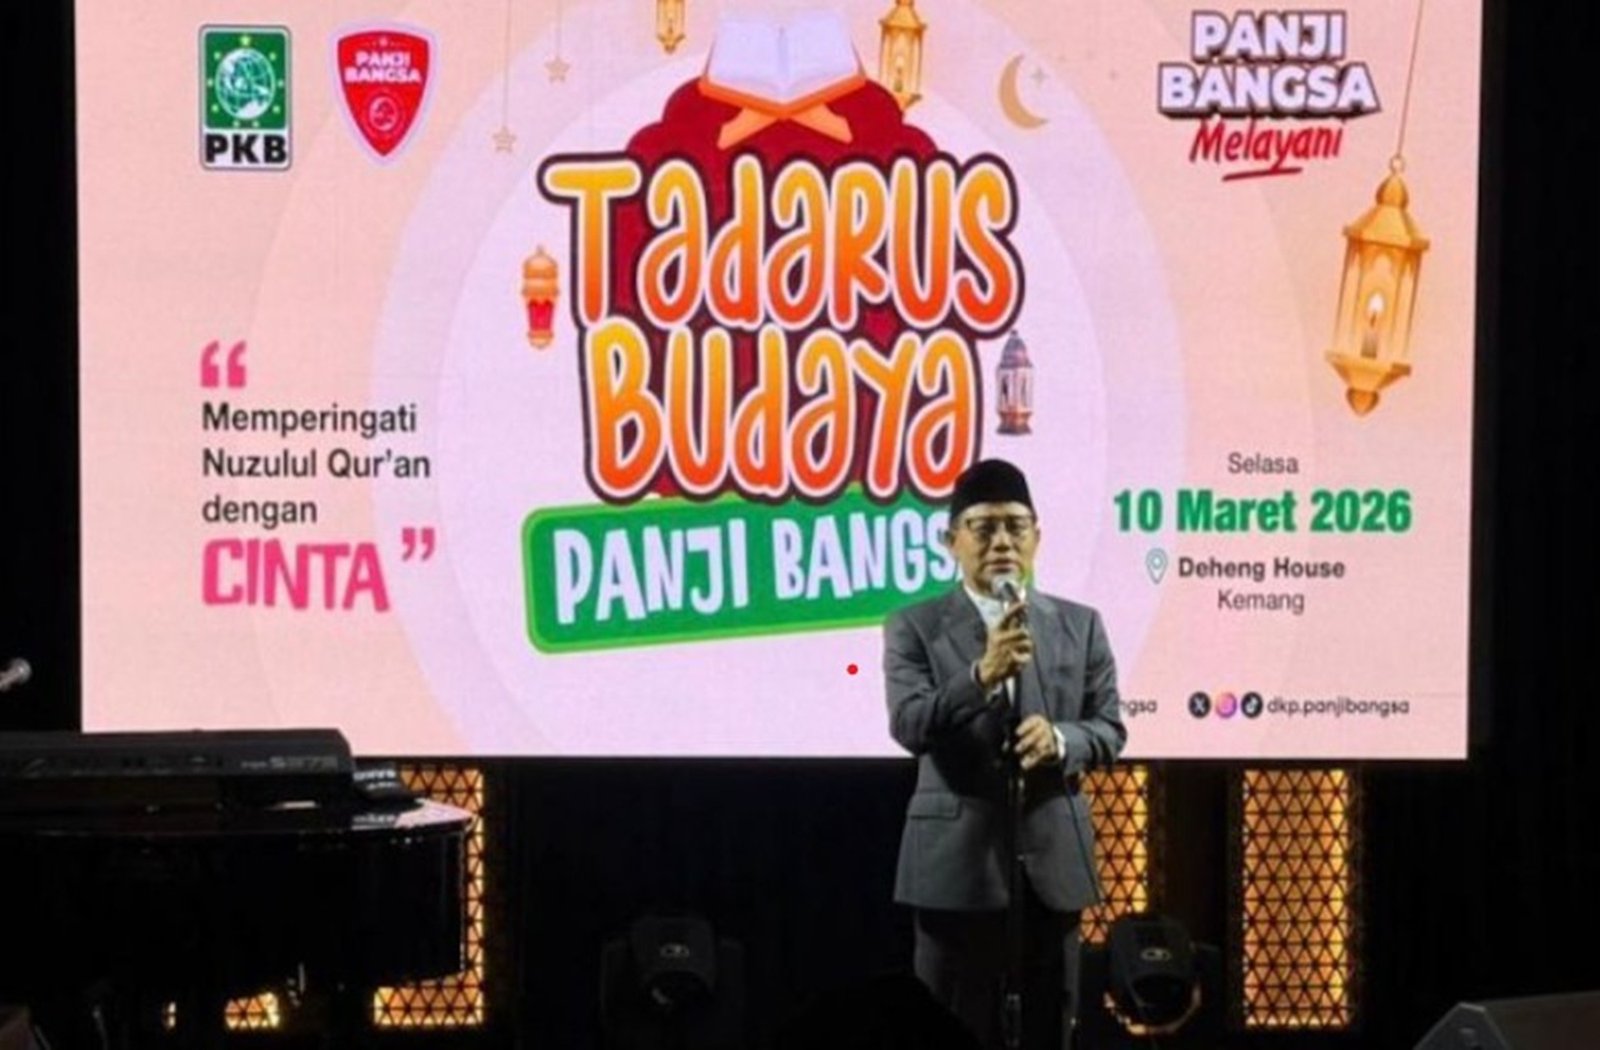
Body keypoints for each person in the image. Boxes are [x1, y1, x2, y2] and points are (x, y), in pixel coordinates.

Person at [883, 458, 1126, 1050]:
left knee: (1050, 1026)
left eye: (1015, 527)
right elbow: (909, 724)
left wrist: (1061, 740)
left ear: (1036, 537)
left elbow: (1109, 729)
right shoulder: (914, 626)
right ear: (951, 541)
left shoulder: (1080, 626)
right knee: (948, 1027)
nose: (1001, 542)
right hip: (955, 867)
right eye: (983, 527)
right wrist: (981, 675)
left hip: (1052, 864)